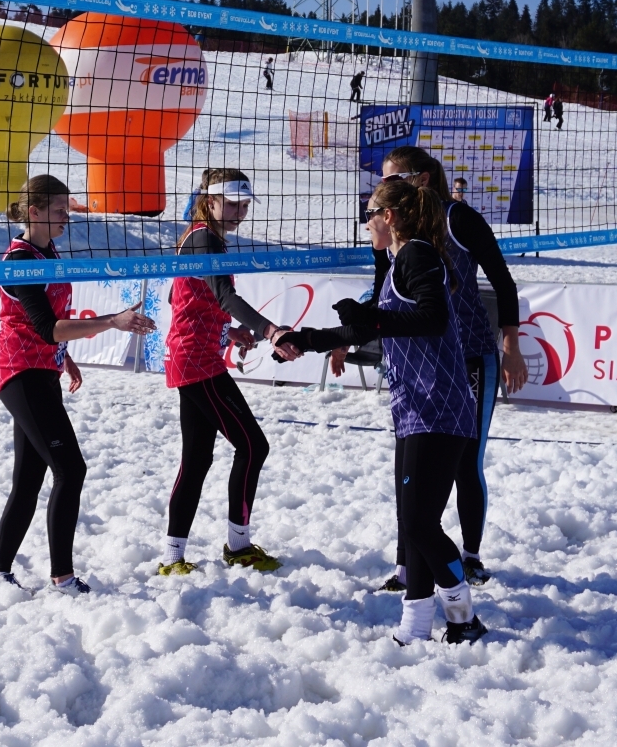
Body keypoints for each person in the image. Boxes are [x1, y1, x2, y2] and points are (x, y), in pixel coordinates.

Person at [281, 178, 487, 645]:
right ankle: (414, 628)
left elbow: (431, 318)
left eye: (369, 214)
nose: (366, 223)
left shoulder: (417, 254)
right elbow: (369, 327)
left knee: (418, 524)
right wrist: (306, 340)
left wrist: (370, 318)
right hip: (416, 408)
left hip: (439, 407)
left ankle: (463, 615)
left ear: (388, 217)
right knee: (413, 525)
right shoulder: (399, 263)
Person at [351, 146, 525, 591]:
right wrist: (344, 336)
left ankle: (470, 557)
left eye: (394, 179)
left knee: (466, 461)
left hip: (470, 355)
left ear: (422, 178)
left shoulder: (457, 218)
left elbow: (503, 281)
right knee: (408, 464)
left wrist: (511, 344)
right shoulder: (394, 233)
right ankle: (407, 565)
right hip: (421, 364)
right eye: (382, 181)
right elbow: (383, 293)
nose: (384, 188)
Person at [0, 174, 155, 594]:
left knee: (29, 480)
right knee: (71, 469)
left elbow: (45, 326)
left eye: (67, 208)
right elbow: (47, 327)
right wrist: (112, 322)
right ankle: (62, 577)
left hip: (41, 370)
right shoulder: (21, 259)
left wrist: (65, 357)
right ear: (34, 212)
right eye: (60, 210)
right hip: (20, 374)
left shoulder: (48, 251)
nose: (67, 216)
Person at [157, 169, 298, 577]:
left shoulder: (205, 237)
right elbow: (223, 295)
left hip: (195, 356)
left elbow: (186, 298)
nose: (241, 212)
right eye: (233, 204)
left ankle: (172, 557)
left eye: (245, 205)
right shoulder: (203, 238)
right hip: (196, 361)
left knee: (197, 460)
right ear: (210, 201)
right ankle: (238, 546)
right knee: (254, 447)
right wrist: (270, 331)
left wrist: (227, 330)